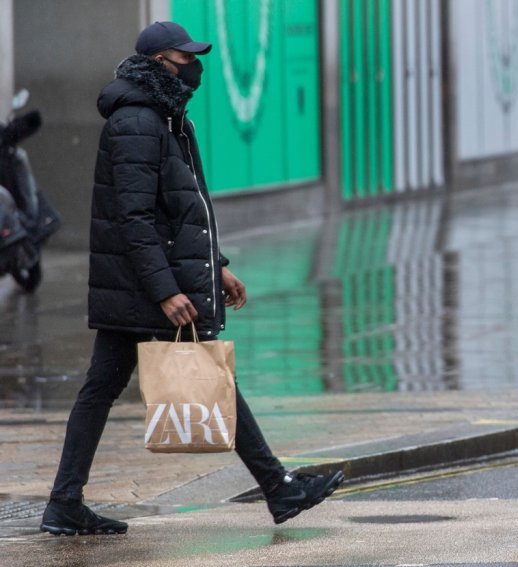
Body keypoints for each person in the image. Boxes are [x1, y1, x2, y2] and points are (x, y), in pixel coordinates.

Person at [39, 21, 344, 536]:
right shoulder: (137, 121)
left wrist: (217, 265)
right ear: (159, 62)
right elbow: (135, 218)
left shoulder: (166, 119)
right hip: (145, 285)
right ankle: (279, 487)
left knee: (102, 388)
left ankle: (64, 503)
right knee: (208, 372)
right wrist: (167, 290)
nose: (194, 66)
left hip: (140, 281)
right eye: (186, 57)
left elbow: (179, 209)